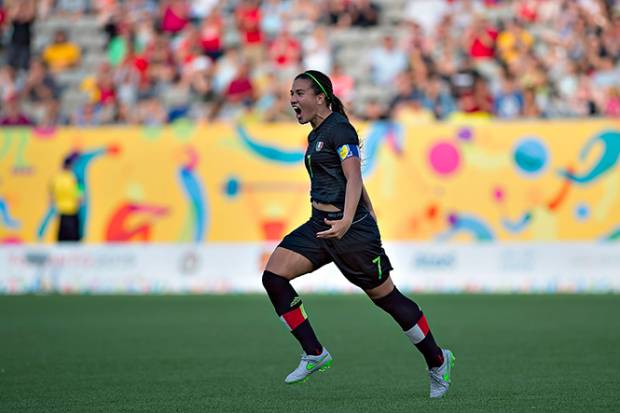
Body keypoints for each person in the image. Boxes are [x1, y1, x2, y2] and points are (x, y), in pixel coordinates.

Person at [262, 70, 455, 398]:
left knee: (388, 300)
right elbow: (351, 181)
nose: (292, 99)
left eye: (299, 93)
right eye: (291, 93)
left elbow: (353, 177)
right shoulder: (316, 133)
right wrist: (363, 208)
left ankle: (438, 360)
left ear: (320, 97)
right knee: (273, 277)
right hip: (321, 225)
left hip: (349, 231)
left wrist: (350, 219)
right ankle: (314, 353)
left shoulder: (340, 129)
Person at [51, 152, 82, 242]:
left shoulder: (55, 179)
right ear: (71, 166)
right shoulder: (75, 178)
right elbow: (80, 197)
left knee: (62, 241)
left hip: (61, 212)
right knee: (73, 242)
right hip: (72, 212)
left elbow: (51, 198)